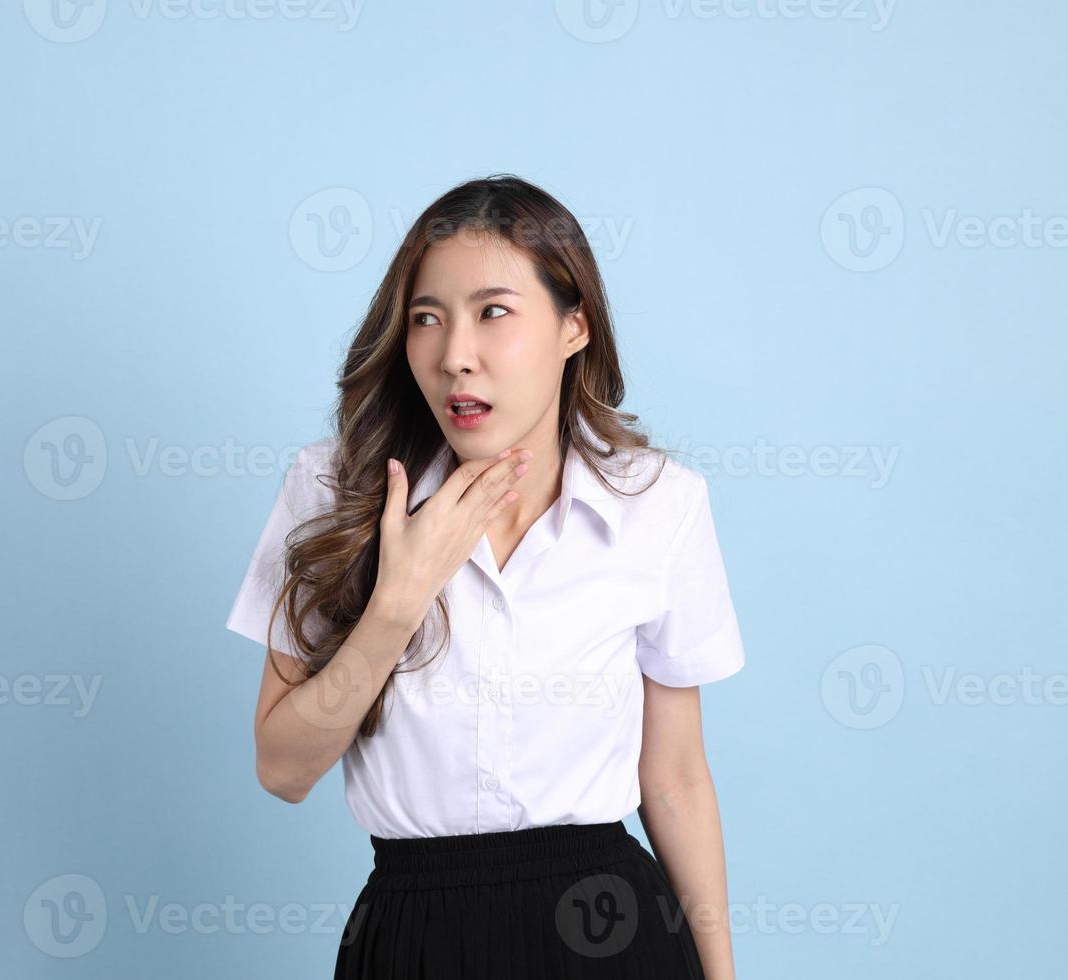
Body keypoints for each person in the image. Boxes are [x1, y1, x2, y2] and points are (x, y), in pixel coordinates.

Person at [224, 174, 746, 979]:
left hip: (611, 933)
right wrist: (398, 600)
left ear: (574, 326)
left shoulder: (659, 506)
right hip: (413, 938)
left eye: (493, 313)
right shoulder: (333, 491)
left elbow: (674, 778)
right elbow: (281, 769)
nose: (454, 355)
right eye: (427, 319)